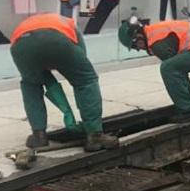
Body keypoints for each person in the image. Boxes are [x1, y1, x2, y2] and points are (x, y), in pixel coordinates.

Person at [10, 13, 118, 151]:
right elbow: (81, 58)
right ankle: (95, 135)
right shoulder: (69, 23)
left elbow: (32, 60)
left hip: (21, 44)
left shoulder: (26, 24)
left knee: (31, 85)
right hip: (57, 39)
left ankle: (39, 136)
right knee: (85, 80)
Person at [119, 17, 190, 123]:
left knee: (168, 68)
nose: (139, 49)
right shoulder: (153, 32)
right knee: (174, 68)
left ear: (138, 37)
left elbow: (173, 73)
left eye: (135, 46)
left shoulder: (156, 42)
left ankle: (189, 109)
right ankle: (189, 105)